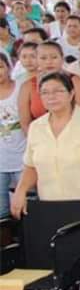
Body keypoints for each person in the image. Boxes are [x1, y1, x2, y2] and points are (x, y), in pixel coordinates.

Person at [10, 71, 80, 220]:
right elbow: (31, 166)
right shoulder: (36, 127)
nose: (51, 97)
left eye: (58, 91)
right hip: (50, 205)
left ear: (71, 94)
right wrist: (21, 190)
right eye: (45, 93)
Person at [17, 42, 80, 132]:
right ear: (37, 60)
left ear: (62, 58)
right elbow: (25, 123)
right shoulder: (27, 86)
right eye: (43, 58)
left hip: (74, 133)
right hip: (40, 136)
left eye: (54, 57)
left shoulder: (75, 81)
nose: (49, 62)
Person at [0, 53, 24, 218]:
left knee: (27, 207)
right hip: (1, 161)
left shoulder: (21, 88)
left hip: (23, 160)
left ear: (9, 67)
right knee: (2, 213)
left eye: (1, 66)